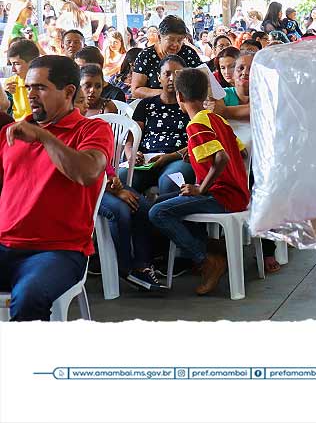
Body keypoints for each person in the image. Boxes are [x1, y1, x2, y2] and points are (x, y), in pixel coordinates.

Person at [0, 55, 113, 320]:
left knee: (30, 296)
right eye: (28, 88)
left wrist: (44, 137)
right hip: (5, 244)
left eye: (40, 87)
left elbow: (87, 172)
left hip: (58, 251)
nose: (31, 95)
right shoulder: (13, 133)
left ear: (69, 92)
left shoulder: (92, 129)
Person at [149, 68, 250, 296]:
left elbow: (221, 158)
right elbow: (239, 153)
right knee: (160, 200)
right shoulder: (217, 119)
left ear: (179, 97)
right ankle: (212, 248)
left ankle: (206, 260)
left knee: (158, 212)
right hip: (237, 193)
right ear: (206, 94)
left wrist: (200, 188)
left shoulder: (195, 124)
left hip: (221, 196)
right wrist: (194, 152)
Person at [124, 56, 196, 195]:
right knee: (122, 177)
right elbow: (131, 139)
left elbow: (197, 140)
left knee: (170, 181)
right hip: (146, 161)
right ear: (159, 77)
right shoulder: (145, 104)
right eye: (167, 74)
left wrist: (170, 156)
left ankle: (156, 212)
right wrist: (131, 154)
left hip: (178, 158)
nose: (172, 79)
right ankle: (146, 213)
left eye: (177, 74)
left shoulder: (190, 105)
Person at [130, 16, 203, 100]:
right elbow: (136, 90)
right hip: (155, 106)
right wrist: (166, 94)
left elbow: (204, 83)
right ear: (159, 37)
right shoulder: (146, 56)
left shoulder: (188, 54)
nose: (175, 44)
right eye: (171, 39)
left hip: (186, 106)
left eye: (179, 40)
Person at [5, 39, 41, 121]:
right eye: (12, 64)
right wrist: (6, 95)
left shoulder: (47, 84)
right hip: (18, 127)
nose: (13, 70)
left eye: (17, 64)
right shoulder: (11, 84)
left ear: (33, 62)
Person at [215, 51, 252, 121]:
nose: (245, 73)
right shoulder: (221, 95)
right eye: (240, 68)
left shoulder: (264, 96)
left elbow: (257, 109)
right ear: (233, 73)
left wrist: (224, 111)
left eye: (251, 69)